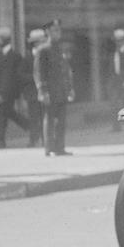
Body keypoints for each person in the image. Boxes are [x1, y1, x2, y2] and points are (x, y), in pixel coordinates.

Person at [33, 19, 75, 156]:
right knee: (49, 119)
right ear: (48, 32)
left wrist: (70, 88)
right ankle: (49, 148)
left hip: (61, 90)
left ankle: (60, 147)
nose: (58, 33)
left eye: (59, 30)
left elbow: (66, 70)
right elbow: (39, 73)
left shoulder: (61, 49)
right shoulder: (43, 50)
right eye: (55, 31)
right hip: (50, 91)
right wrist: (42, 91)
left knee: (61, 120)